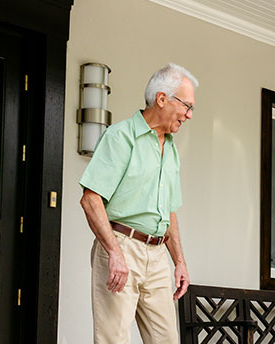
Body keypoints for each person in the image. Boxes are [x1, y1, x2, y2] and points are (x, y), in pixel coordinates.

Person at [79, 63, 197, 343]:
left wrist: (179, 261)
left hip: (156, 255)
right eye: (187, 106)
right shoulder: (121, 136)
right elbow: (90, 199)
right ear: (162, 98)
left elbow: (169, 209)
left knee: (166, 339)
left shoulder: (170, 148)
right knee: (114, 339)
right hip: (122, 245)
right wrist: (114, 252)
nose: (189, 115)